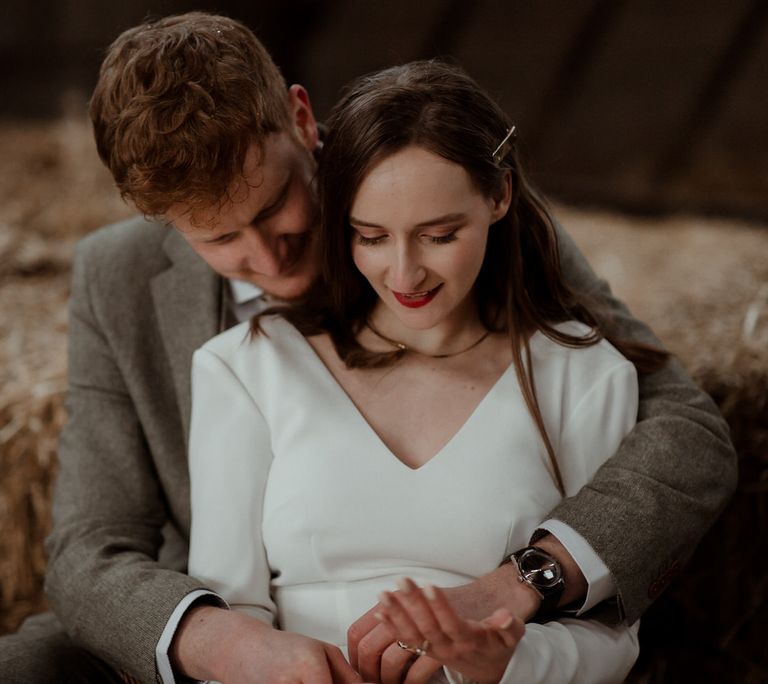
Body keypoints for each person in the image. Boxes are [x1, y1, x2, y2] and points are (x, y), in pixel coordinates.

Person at [0, 11, 735, 684]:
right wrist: (230, 643)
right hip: (223, 616)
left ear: (300, 119)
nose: (268, 256)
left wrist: (523, 584)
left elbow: (683, 427)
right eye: (219, 238)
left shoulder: (435, 195)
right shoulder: (119, 277)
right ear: (166, 222)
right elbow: (90, 547)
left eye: (273, 206)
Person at [186, 58, 655, 683]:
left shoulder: (582, 374)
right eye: (371, 237)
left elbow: (609, 633)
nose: (404, 276)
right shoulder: (246, 366)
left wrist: (508, 662)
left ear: (499, 195)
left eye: (438, 234)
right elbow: (229, 613)